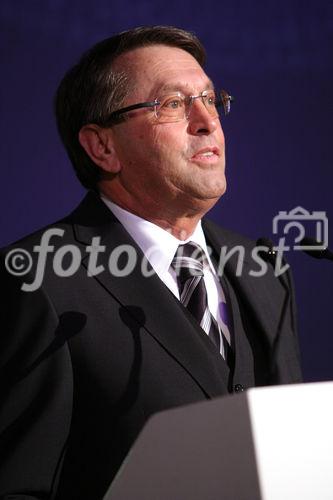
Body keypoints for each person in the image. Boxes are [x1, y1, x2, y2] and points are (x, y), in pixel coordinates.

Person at [0, 26, 302, 500]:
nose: (208, 122)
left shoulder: (264, 271)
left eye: (210, 98)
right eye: (173, 104)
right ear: (103, 147)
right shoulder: (35, 282)